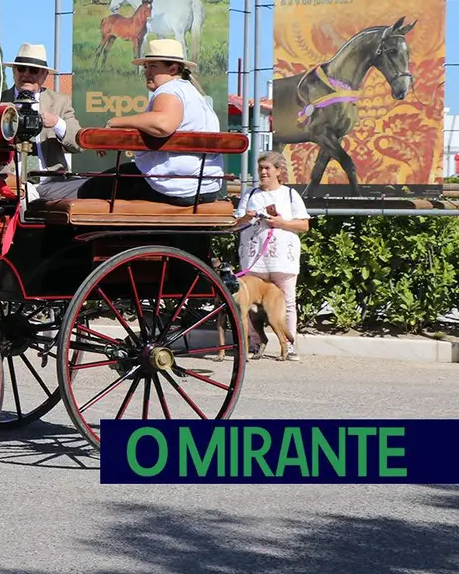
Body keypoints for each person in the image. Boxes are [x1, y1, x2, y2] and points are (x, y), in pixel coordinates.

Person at [35, 38, 225, 205]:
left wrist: (116, 122)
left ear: (173, 68)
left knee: (91, 188)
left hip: (172, 186)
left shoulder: (169, 90)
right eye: (146, 67)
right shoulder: (195, 95)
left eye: (153, 67)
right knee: (111, 177)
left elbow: (163, 124)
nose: (147, 72)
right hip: (206, 186)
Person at [234, 151, 310, 361]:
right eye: (261, 168)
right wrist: (245, 218)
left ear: (278, 171)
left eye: (267, 168)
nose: (263, 172)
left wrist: (281, 223)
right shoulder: (250, 195)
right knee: (247, 304)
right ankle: (256, 343)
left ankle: (290, 345)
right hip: (254, 260)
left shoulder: (290, 194)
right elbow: (234, 224)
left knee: (286, 302)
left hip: (282, 260)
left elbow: (304, 225)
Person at [0, 43, 82, 195]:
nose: (26, 74)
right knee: (26, 194)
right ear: (13, 72)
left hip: (54, 181)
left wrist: (57, 123)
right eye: (21, 69)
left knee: (90, 187)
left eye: (34, 70)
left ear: (44, 75)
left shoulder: (60, 102)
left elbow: (78, 143)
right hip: (11, 181)